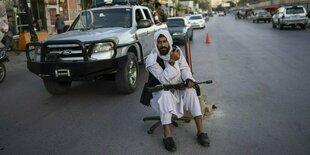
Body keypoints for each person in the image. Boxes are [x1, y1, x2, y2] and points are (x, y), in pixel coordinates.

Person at [144, 30, 210, 152]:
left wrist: (188, 79)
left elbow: (184, 68)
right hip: (160, 91)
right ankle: (167, 135)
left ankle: (201, 131)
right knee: (165, 95)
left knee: (191, 91)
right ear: (155, 43)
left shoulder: (175, 51)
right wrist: (172, 61)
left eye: (164, 41)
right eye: (159, 42)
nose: (162, 45)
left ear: (169, 41)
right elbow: (164, 79)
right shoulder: (151, 60)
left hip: (178, 88)